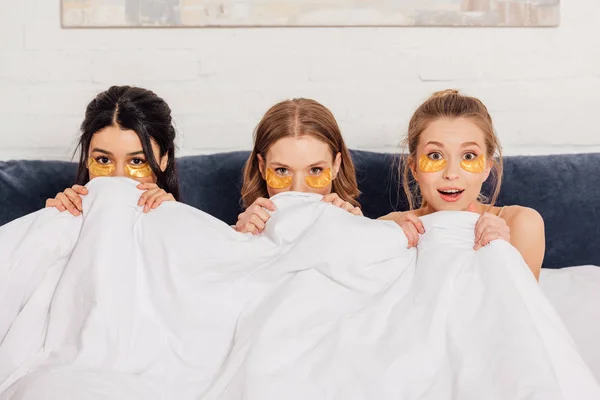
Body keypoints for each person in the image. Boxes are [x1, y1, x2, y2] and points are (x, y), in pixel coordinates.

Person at [380, 89, 545, 280]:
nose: (451, 174)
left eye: (468, 156)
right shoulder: (389, 227)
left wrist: (503, 253)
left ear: (486, 168)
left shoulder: (520, 224)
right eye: (435, 156)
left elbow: (522, 307)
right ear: (414, 168)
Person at [45, 85, 179, 215]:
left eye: (137, 161)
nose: (118, 177)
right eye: (104, 160)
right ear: (86, 157)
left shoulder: (180, 222)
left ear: (163, 160)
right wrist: (51, 223)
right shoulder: (64, 217)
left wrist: (176, 219)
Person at [237, 98, 362, 234]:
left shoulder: (354, 226)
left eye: (315, 170)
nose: (298, 189)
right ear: (262, 167)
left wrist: (360, 232)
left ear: (336, 166)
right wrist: (238, 238)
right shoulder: (242, 232)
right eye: (282, 170)